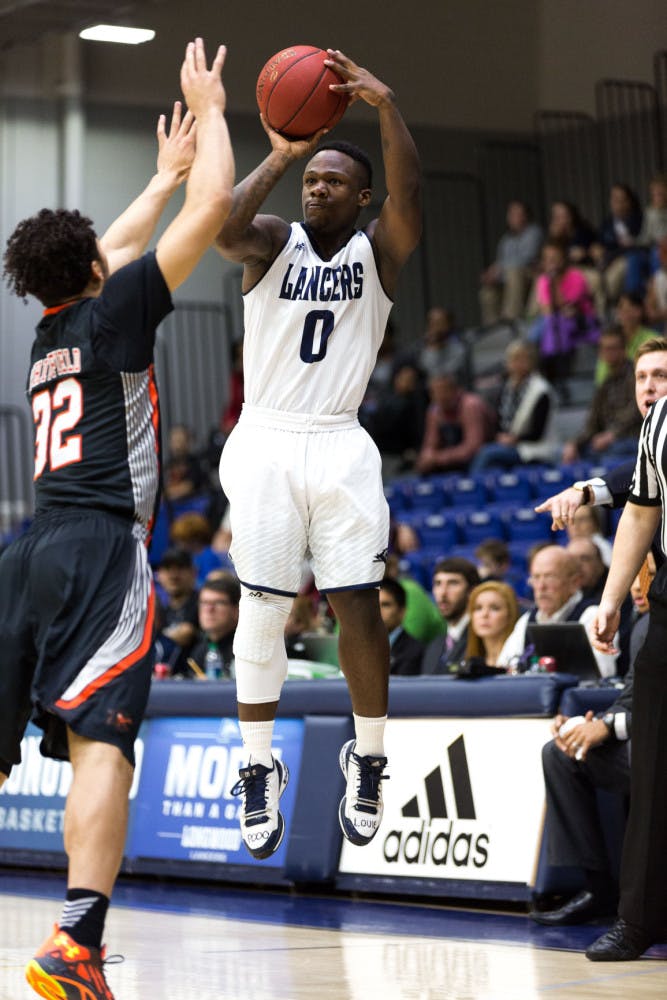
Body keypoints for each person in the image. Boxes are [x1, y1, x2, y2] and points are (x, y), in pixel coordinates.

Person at [0, 38, 233, 1000]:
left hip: (26, 553)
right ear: (96, 268)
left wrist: (157, 174)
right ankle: (76, 944)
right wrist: (212, 115)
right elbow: (212, 211)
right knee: (104, 746)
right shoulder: (115, 313)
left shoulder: (52, 331)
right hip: (102, 551)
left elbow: (121, 240)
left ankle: (77, 944)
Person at [214, 48, 421, 858]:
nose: (318, 188)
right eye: (313, 180)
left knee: (356, 604)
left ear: (361, 195)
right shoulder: (272, 241)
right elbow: (221, 228)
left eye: (333, 181)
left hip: (339, 437)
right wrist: (280, 153)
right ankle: (257, 770)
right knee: (263, 606)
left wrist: (385, 103)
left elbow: (411, 196)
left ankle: (369, 758)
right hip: (265, 435)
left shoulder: (381, 251)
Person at [583, 395, 667, 959]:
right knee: (654, 767)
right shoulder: (661, 419)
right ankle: (637, 920)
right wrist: (612, 599)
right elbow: (639, 510)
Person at [534, 337, 667, 532]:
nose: (648, 386)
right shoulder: (650, 447)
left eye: (660, 375)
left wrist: (585, 491)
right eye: (641, 377)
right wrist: (582, 489)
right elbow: (642, 474)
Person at [500, 545, 618, 678]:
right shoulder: (527, 620)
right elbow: (505, 667)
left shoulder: (594, 616)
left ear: (574, 582)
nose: (541, 586)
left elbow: (604, 672)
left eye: (550, 577)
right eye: (536, 577)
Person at [469, 340, 557, 472]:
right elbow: (499, 421)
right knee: (493, 468)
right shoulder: (506, 388)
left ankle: (470, 487)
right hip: (509, 446)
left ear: (531, 362)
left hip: (533, 448)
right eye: (514, 359)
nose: (517, 364)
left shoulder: (541, 390)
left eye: (522, 359)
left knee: (487, 454)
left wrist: (513, 439)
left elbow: (537, 433)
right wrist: (501, 437)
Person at [560, 328, 642, 466]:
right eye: (604, 349)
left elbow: (635, 413)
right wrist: (575, 443)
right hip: (607, 441)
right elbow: (593, 420)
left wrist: (611, 435)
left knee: (613, 452)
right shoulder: (606, 383)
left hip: (632, 438)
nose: (608, 353)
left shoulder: (637, 376)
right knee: (571, 453)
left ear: (624, 349)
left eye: (612, 348)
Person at [415, 371, 496, 475]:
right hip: (453, 455)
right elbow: (430, 444)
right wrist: (427, 457)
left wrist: (438, 458)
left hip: (480, 453)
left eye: (443, 391)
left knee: (481, 460)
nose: (440, 396)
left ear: (454, 390)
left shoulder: (470, 405)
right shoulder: (434, 410)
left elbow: (473, 447)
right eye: (435, 392)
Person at [479, 200, 543, 326]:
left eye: (516, 214)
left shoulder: (534, 232)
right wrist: (492, 274)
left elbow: (527, 259)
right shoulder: (506, 239)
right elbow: (500, 261)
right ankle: (493, 326)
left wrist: (499, 269)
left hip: (530, 273)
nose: (512, 218)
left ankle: (511, 319)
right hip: (508, 275)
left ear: (525, 216)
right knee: (487, 291)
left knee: (514, 271)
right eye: (510, 214)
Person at [420, 558, 481, 674]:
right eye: (438, 583)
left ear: (472, 591)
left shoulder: (482, 640)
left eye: (453, 583)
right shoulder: (434, 645)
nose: (442, 593)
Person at [185, 574, 241, 679]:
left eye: (219, 603)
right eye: (204, 603)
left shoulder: (245, 650)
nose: (209, 609)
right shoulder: (200, 650)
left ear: (236, 610)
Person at [464, 581, 519, 668]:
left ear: (510, 615)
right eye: (478, 608)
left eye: (494, 608)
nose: (484, 614)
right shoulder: (468, 662)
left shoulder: (518, 662)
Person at [379, 578, 425, 676]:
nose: (377, 611)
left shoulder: (414, 652)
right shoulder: (358, 647)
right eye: (373, 605)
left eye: (385, 605)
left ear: (402, 611)